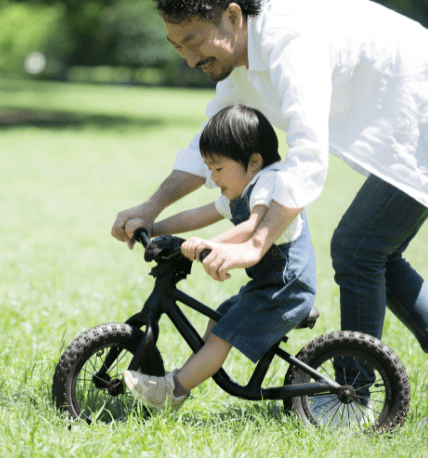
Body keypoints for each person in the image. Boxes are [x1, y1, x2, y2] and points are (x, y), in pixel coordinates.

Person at [111, 0, 428, 424]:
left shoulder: (293, 44)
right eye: (178, 46)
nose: (190, 58)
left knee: (359, 249)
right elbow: (207, 144)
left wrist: (255, 243)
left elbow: (306, 156)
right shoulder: (242, 62)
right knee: (374, 250)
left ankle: (352, 403)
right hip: (418, 121)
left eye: (194, 41)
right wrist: (151, 208)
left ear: (232, 17)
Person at [123, 104, 316, 412]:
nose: (212, 178)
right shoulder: (239, 191)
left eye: (218, 168)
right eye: (208, 169)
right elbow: (198, 215)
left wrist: (206, 245)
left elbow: (253, 227)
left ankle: (172, 391)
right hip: (267, 286)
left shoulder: (269, 183)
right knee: (218, 319)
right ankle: (179, 384)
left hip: (285, 290)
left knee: (222, 334)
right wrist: (154, 226)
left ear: (253, 162)